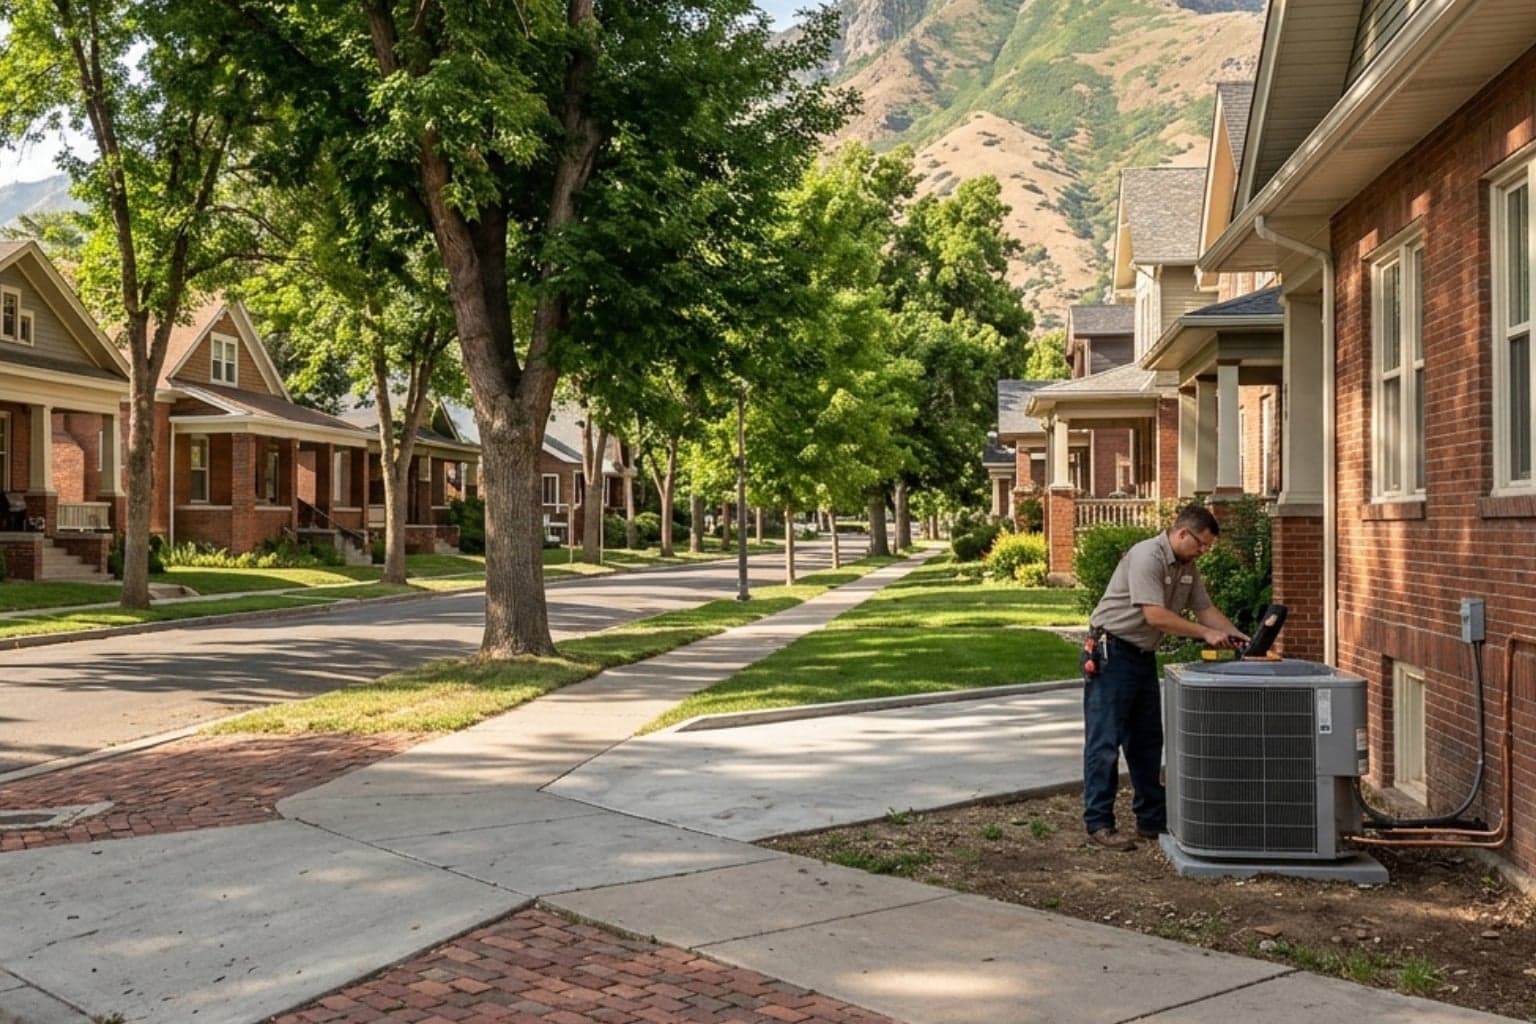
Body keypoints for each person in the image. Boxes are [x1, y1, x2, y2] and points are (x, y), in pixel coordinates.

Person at [1081, 504, 1248, 851]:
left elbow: (1206, 608)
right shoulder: (1147, 557)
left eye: (1208, 547)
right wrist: (1204, 634)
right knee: (1105, 742)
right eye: (1201, 544)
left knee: (1146, 742)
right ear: (1182, 533)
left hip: (1142, 656)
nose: (1203, 551)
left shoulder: (1187, 567)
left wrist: (1241, 638)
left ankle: (1151, 820)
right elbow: (1156, 616)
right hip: (1111, 652)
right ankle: (1099, 822)